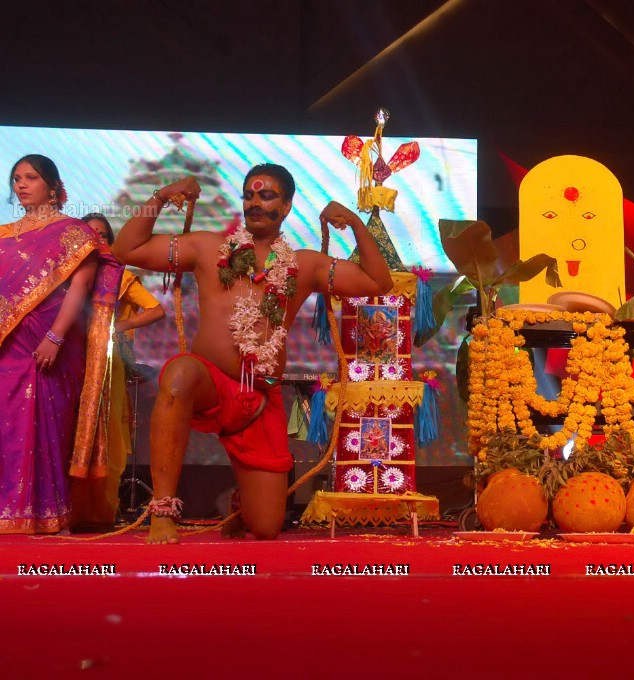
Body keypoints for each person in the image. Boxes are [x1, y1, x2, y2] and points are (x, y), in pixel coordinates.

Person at [112, 163, 393, 544]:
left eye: (266, 195)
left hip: (260, 400)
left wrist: (356, 224)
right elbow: (125, 248)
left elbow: (378, 281)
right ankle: (162, 509)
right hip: (208, 383)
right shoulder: (208, 248)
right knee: (178, 373)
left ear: (288, 205)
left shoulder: (304, 265)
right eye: (249, 195)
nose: (255, 203)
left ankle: (242, 503)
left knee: (264, 528)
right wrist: (161, 197)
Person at [0, 155, 118, 533]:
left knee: (47, 423)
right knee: (8, 425)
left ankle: (51, 513)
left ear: (52, 186)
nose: (21, 184)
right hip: (9, 345)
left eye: (31, 177)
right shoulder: (3, 234)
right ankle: (9, 512)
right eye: (16, 178)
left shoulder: (74, 233)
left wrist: (55, 337)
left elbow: (81, 288)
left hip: (51, 342)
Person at [69, 213, 166, 531]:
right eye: (89, 233)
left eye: (102, 235)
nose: (96, 239)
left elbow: (157, 309)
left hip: (108, 363)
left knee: (106, 434)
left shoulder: (119, 276)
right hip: (68, 361)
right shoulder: (64, 273)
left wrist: (118, 326)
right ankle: (64, 510)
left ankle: (98, 513)